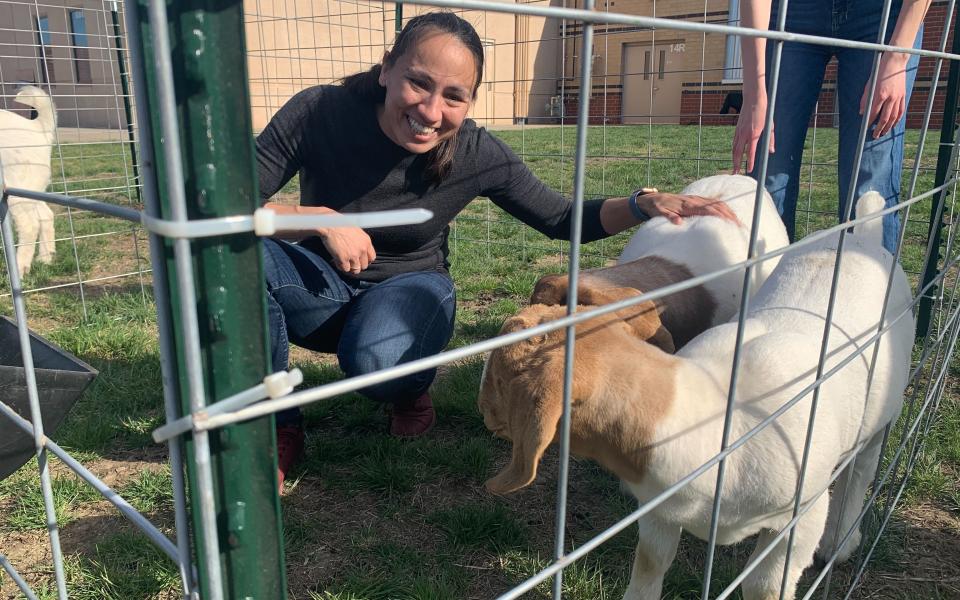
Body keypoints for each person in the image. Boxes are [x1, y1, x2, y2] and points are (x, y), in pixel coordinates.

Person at [256, 12, 737, 489]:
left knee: (377, 370)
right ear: (386, 69)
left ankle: (408, 385)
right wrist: (319, 220)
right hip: (322, 281)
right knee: (241, 263)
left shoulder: (476, 153)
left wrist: (642, 203)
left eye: (453, 96)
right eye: (418, 83)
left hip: (410, 286)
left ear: (469, 103)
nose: (429, 111)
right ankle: (277, 425)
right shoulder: (320, 112)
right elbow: (226, 208)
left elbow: (561, 218)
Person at [732, 0, 929, 254]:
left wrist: (898, 56)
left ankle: (867, 292)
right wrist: (754, 92)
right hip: (792, 11)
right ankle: (763, 287)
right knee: (768, 177)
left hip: (882, 13)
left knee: (869, 192)